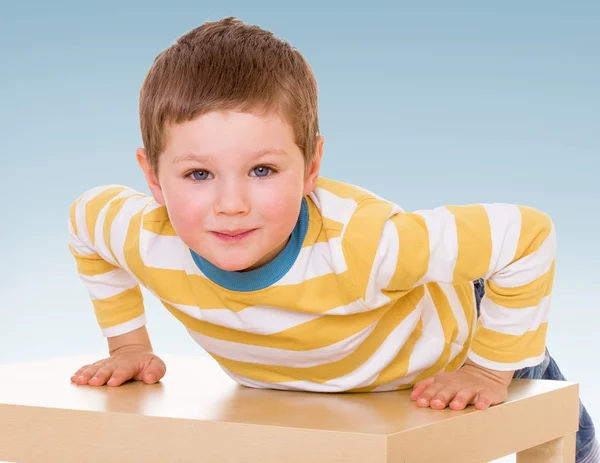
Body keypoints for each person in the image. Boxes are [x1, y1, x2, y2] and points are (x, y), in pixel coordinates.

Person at [67, 17, 598, 462]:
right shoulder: (146, 236)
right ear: (154, 177)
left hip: (453, 330)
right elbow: (85, 222)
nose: (231, 204)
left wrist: (486, 368)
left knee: (565, 430)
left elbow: (527, 236)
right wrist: (130, 345)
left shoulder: (367, 247)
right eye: (199, 175)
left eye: (263, 170)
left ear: (312, 165)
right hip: (329, 372)